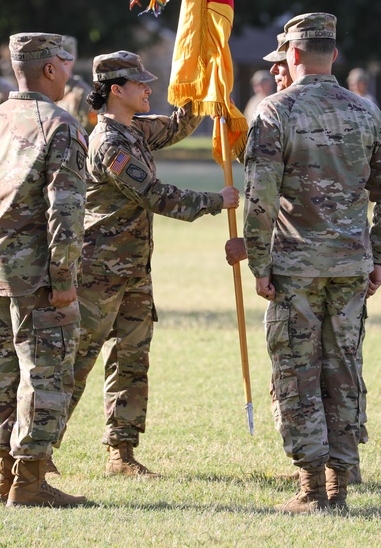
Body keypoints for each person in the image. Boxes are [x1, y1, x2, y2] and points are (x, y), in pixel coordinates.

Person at [242, 13, 381, 513]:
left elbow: (259, 200)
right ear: (332, 54)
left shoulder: (275, 111)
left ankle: (312, 486)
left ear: (291, 54)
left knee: (297, 371)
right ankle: (340, 481)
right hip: (351, 267)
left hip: (296, 268)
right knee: (343, 368)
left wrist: (259, 263)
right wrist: (378, 255)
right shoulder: (367, 112)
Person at [60, 50, 239, 478]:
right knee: (76, 364)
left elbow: (179, 124)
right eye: (139, 84)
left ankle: (120, 454)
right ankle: (35, 455)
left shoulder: (136, 129)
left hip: (135, 272)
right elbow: (156, 196)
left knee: (132, 360)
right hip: (99, 275)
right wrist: (216, 202)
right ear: (115, 91)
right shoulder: (109, 143)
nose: (148, 89)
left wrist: (203, 81)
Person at [0, 32, 89, 508]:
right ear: (50, 69)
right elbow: (66, 211)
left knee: (0, 377)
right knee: (45, 375)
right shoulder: (60, 126)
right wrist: (65, 279)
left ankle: (2, 477)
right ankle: (29, 483)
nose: (68, 73)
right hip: (37, 278)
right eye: (64, 65)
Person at [57, 35, 96, 134]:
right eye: (59, 58)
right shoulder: (50, 90)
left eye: (67, 58)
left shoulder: (83, 94)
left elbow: (91, 131)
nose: (64, 62)